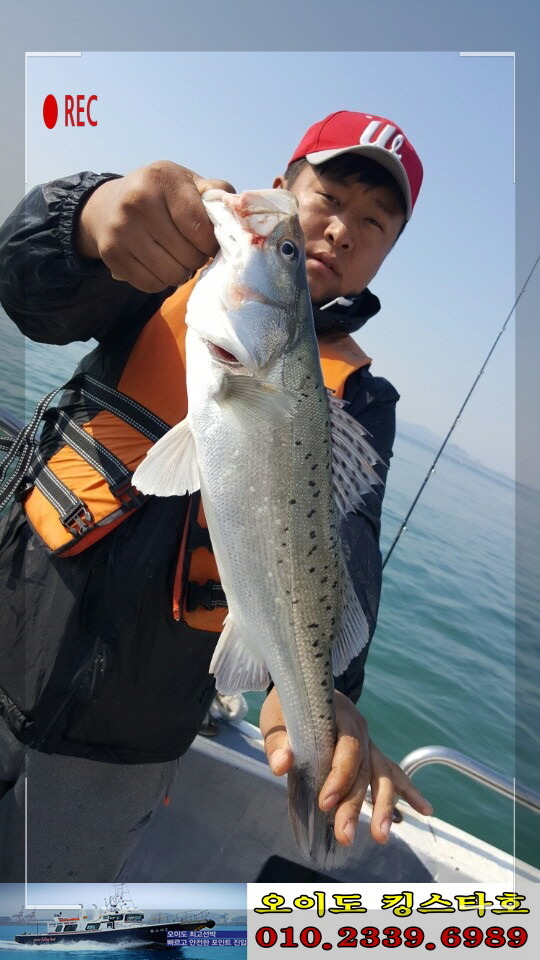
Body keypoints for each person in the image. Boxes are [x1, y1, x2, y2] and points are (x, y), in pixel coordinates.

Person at [0, 109, 432, 880]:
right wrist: (87, 218)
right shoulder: (169, 272)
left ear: (388, 254)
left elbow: (348, 543)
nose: (341, 231)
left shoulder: (364, 399)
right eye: (328, 199)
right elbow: (26, 289)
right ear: (279, 190)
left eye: (374, 223)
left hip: (130, 737)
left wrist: (325, 690)